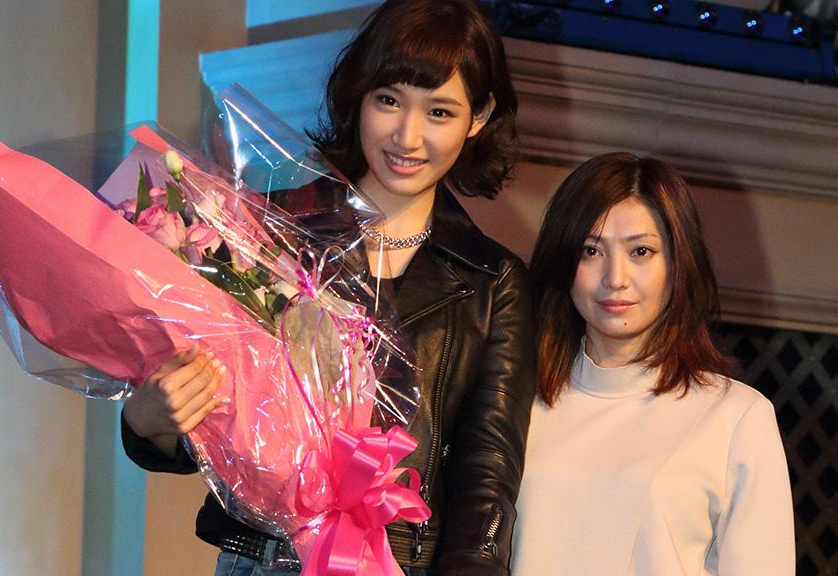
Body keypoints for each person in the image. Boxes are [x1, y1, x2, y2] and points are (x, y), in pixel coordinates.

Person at [121, 1, 536, 574]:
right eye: (389, 100)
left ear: (479, 117)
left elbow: (486, 480)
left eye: (439, 112)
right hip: (259, 559)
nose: (408, 135)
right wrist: (149, 420)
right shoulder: (269, 230)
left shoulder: (494, 282)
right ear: (359, 94)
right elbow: (209, 426)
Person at [514, 153, 795, 574]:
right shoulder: (514, 400)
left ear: (678, 264)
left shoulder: (736, 417)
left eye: (641, 251)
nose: (615, 278)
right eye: (591, 251)